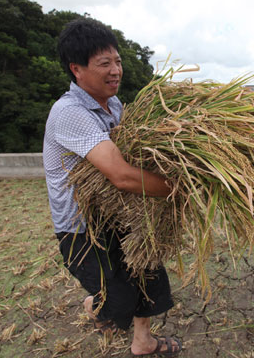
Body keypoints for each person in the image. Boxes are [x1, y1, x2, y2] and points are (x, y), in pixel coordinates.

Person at [43, 18, 182, 356]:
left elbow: (134, 156)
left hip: (118, 213)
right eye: (104, 63)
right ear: (77, 69)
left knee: (149, 275)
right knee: (117, 299)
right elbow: (120, 174)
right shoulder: (70, 112)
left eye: (117, 61)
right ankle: (94, 305)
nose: (116, 70)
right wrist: (181, 188)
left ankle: (143, 342)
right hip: (82, 228)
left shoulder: (114, 105)